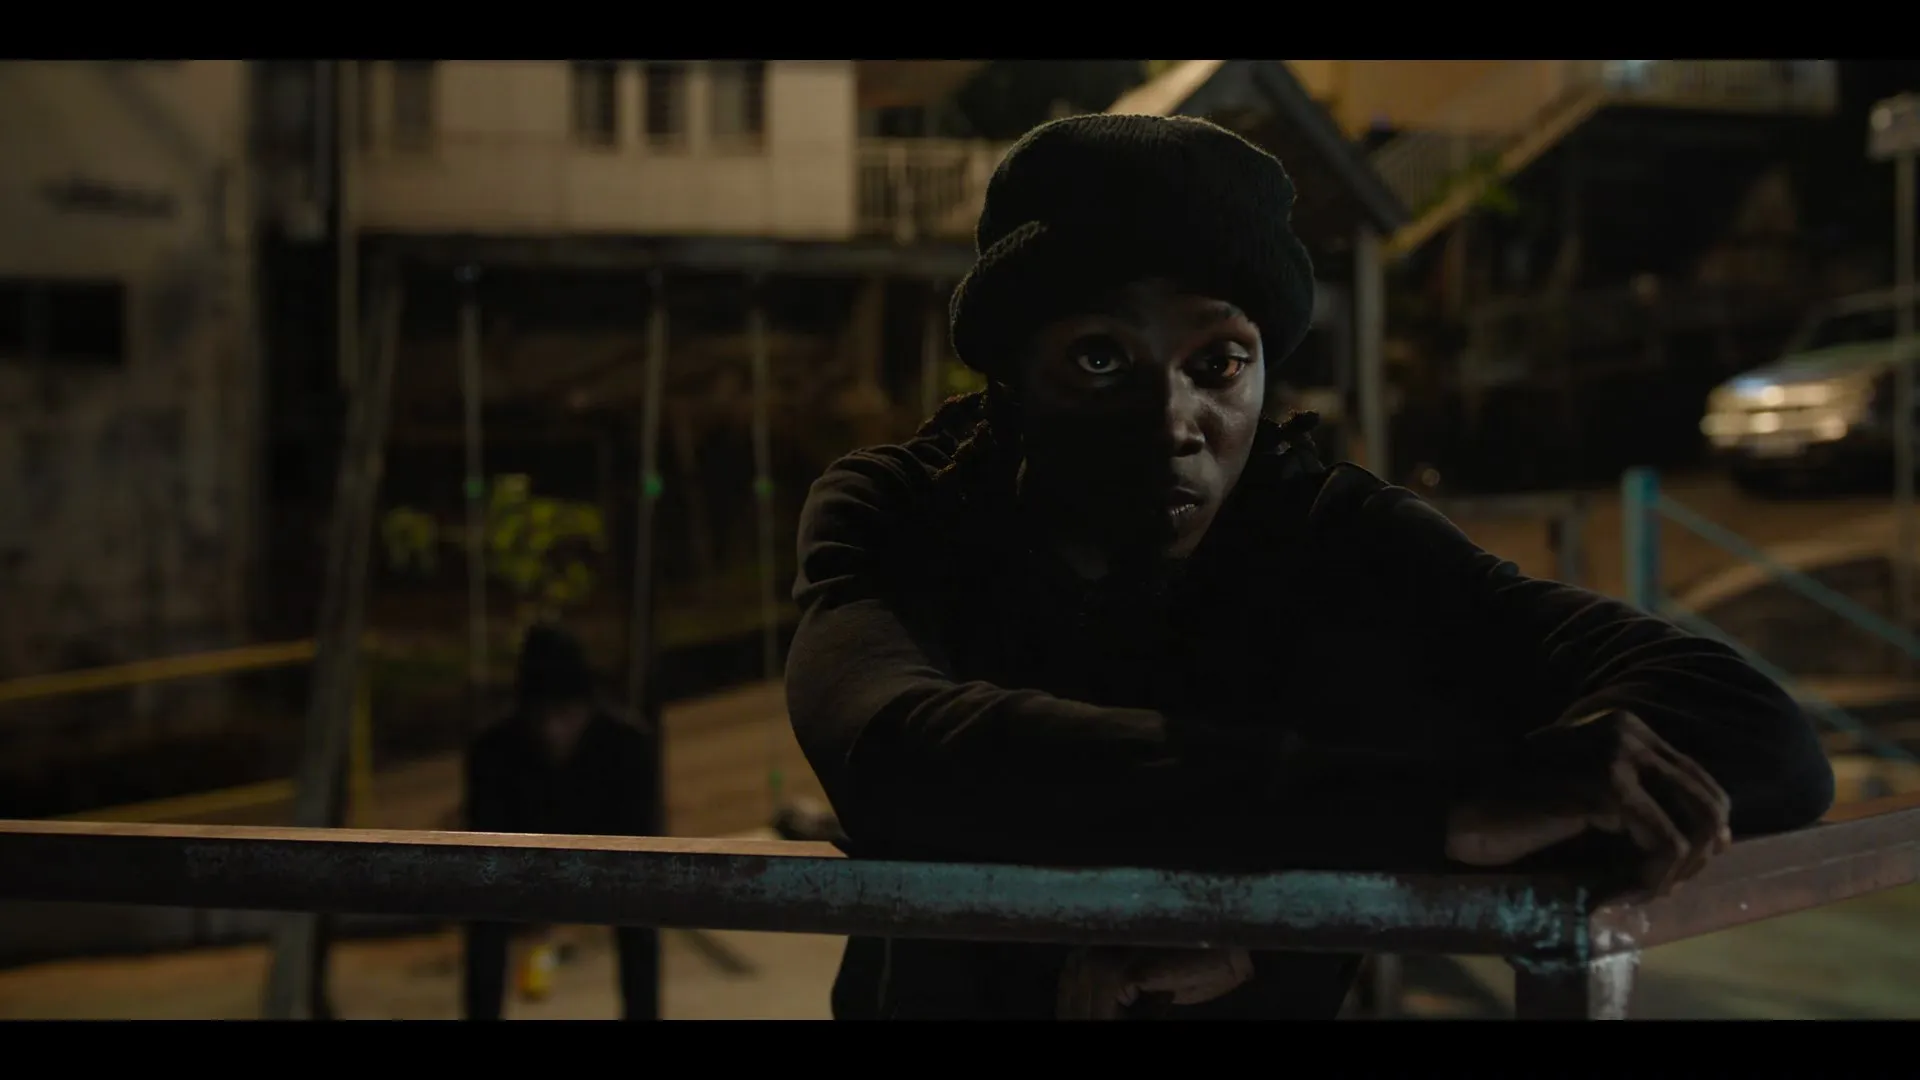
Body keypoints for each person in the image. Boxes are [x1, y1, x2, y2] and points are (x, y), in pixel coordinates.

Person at [783, 114, 1836, 1021]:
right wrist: (1413, 817)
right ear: (1011, 376)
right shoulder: (907, 510)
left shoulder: (1330, 533)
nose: (1171, 422)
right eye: (1100, 358)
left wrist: (1291, 888)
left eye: (1218, 364)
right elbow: (892, 746)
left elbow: (1751, 733)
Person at [463, 623, 662, 1021]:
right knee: (483, 920)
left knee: (641, 917)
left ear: (587, 708)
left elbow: (644, 845)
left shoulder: (626, 745)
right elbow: (483, 850)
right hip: (519, 865)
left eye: (564, 715)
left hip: (610, 864)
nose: (553, 730)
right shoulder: (494, 750)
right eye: (541, 716)